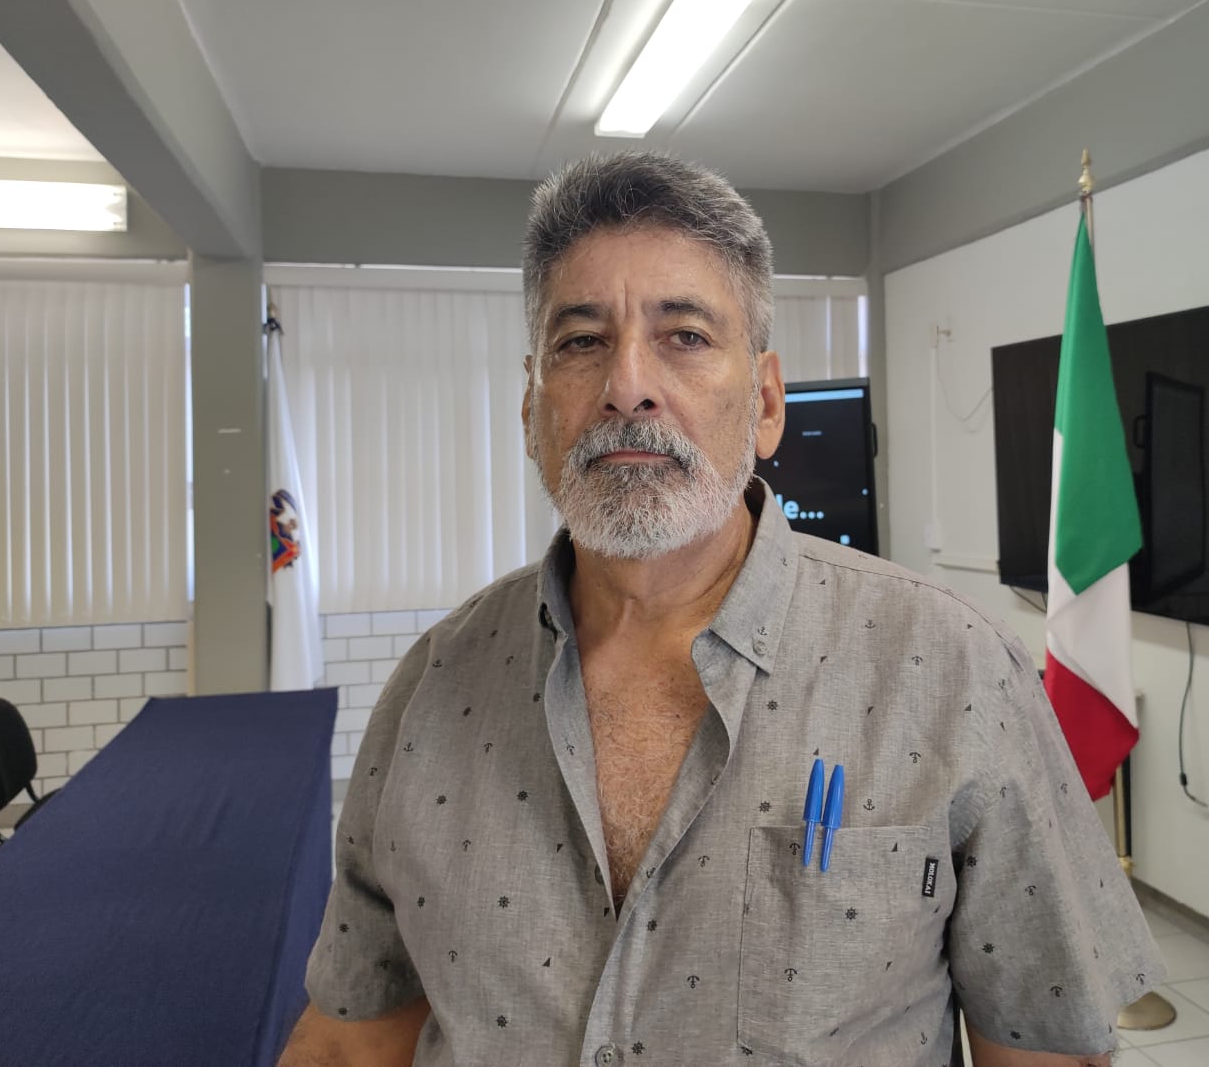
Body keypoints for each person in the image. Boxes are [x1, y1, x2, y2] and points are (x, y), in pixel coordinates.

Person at [278, 152, 1163, 1067]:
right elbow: (349, 1040)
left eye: (686, 335)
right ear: (532, 411)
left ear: (767, 402)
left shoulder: (954, 671)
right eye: (581, 342)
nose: (627, 383)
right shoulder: (431, 690)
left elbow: (1048, 1052)